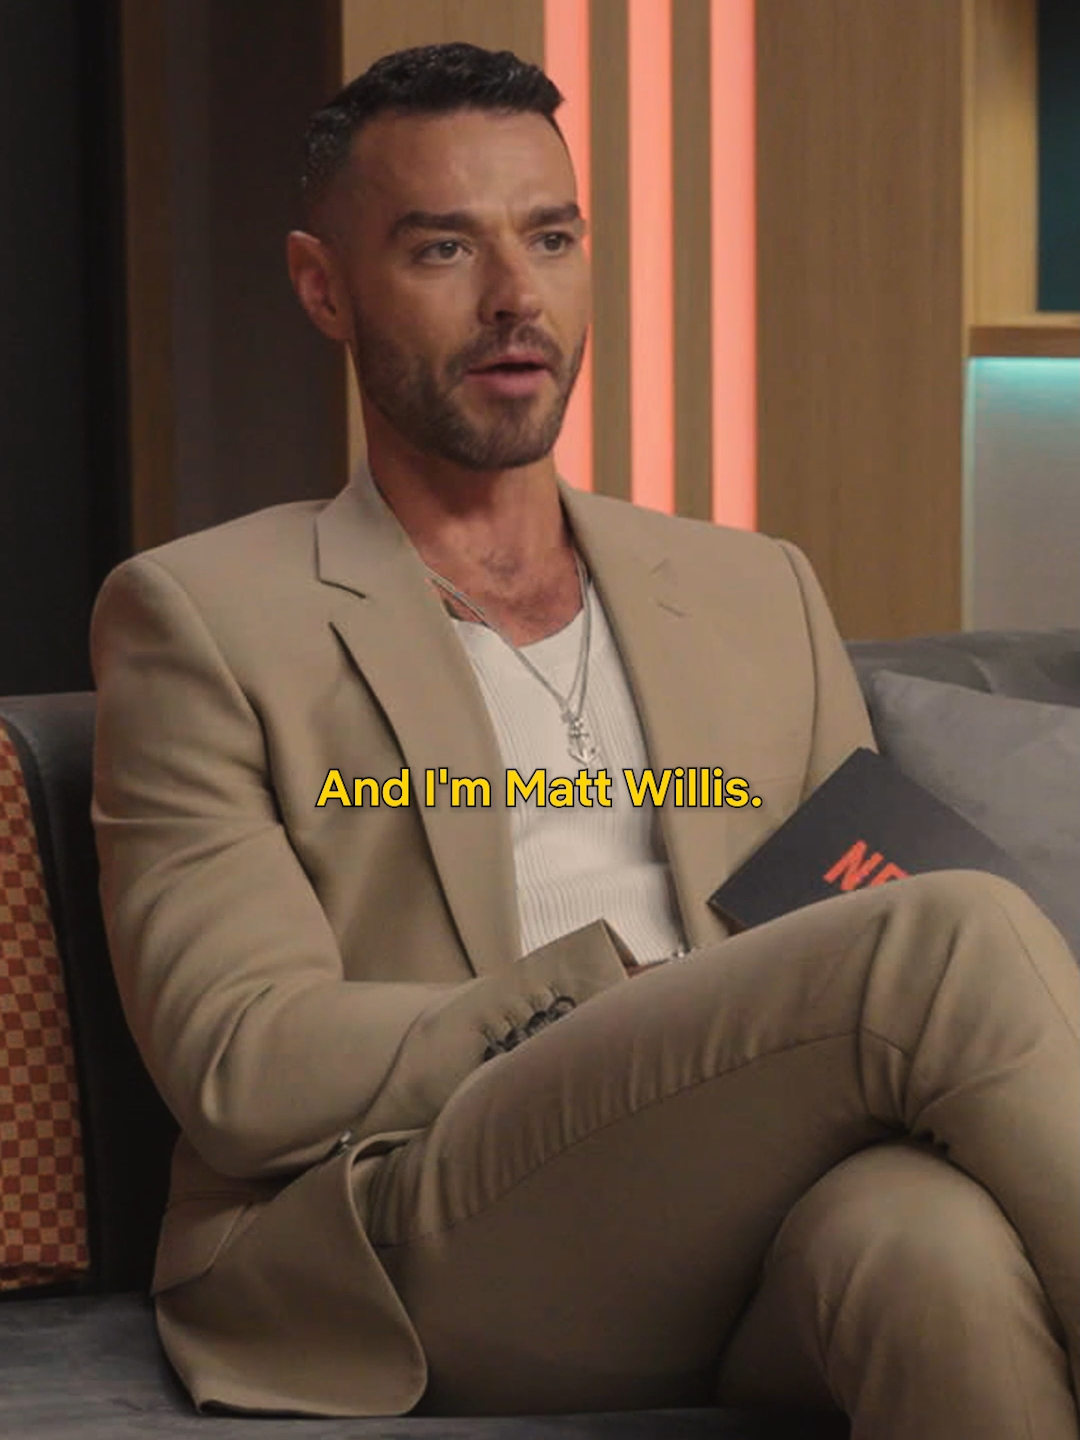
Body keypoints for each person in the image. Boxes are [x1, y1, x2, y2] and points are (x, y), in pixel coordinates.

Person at [91, 42, 1079, 1438]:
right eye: (444, 248)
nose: (517, 297)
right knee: (951, 936)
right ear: (324, 286)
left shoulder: (755, 586)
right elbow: (243, 1062)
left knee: (934, 1251)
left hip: (748, 1189)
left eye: (551, 239)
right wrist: (610, 1012)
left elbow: (848, 898)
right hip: (429, 1213)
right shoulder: (200, 616)